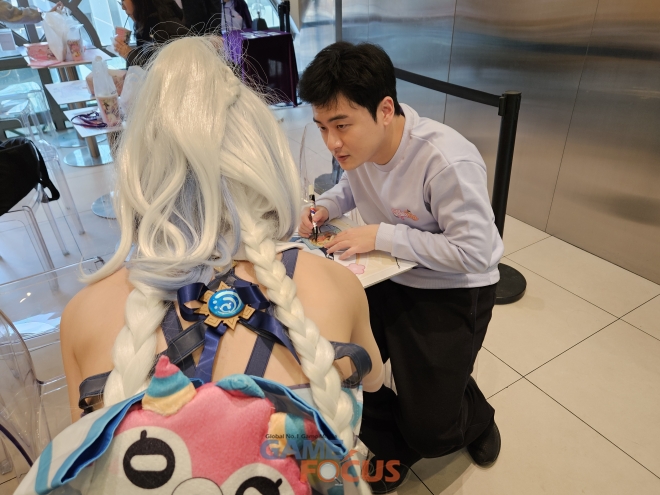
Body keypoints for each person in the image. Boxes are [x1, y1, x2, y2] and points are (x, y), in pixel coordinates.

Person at [60, 35, 383, 490]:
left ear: (138, 173)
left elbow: (81, 459)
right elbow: (374, 381)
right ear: (266, 161)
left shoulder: (84, 316)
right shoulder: (335, 286)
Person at [297, 41, 504, 493]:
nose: (332, 142)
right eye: (322, 127)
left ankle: (473, 413)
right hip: (387, 272)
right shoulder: (359, 149)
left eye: (341, 125)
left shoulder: (445, 160)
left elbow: (477, 253)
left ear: (385, 110)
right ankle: (396, 446)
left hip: (452, 288)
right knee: (336, 364)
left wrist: (380, 236)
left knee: (432, 430)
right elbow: (351, 186)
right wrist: (326, 207)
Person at [113, 0, 186, 67]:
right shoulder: (144, 24)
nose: (122, 7)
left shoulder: (168, 27)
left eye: (123, 0)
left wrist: (129, 54)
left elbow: (159, 70)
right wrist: (128, 54)